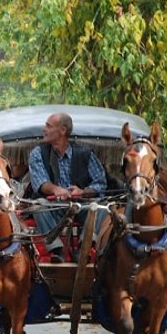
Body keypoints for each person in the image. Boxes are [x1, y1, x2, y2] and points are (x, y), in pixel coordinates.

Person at [28, 112, 107, 262]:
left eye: (48, 126)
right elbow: (40, 183)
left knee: (102, 206)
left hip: (82, 206)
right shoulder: (37, 153)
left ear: (63, 130)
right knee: (38, 205)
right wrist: (56, 190)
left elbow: (100, 183)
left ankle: (85, 247)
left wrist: (82, 192)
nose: (43, 129)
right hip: (54, 207)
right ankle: (57, 251)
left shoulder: (85, 153)